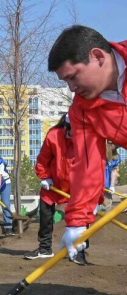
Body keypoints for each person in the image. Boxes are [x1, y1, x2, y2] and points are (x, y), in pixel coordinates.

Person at [48, 25, 127, 263]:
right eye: (66, 81)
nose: (71, 87)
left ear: (98, 57)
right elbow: (87, 164)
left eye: (73, 77)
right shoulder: (83, 108)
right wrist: (77, 221)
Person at [23, 115, 81, 261]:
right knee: (45, 213)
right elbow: (43, 159)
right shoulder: (54, 136)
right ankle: (44, 248)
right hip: (53, 183)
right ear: (66, 127)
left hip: (77, 183)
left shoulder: (87, 137)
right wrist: (44, 177)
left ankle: (79, 250)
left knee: (80, 217)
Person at [101, 141, 121, 211]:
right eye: (113, 144)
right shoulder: (100, 152)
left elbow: (114, 171)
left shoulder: (116, 157)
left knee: (107, 206)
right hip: (96, 185)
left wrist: (112, 186)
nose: (115, 146)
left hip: (107, 186)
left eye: (117, 145)